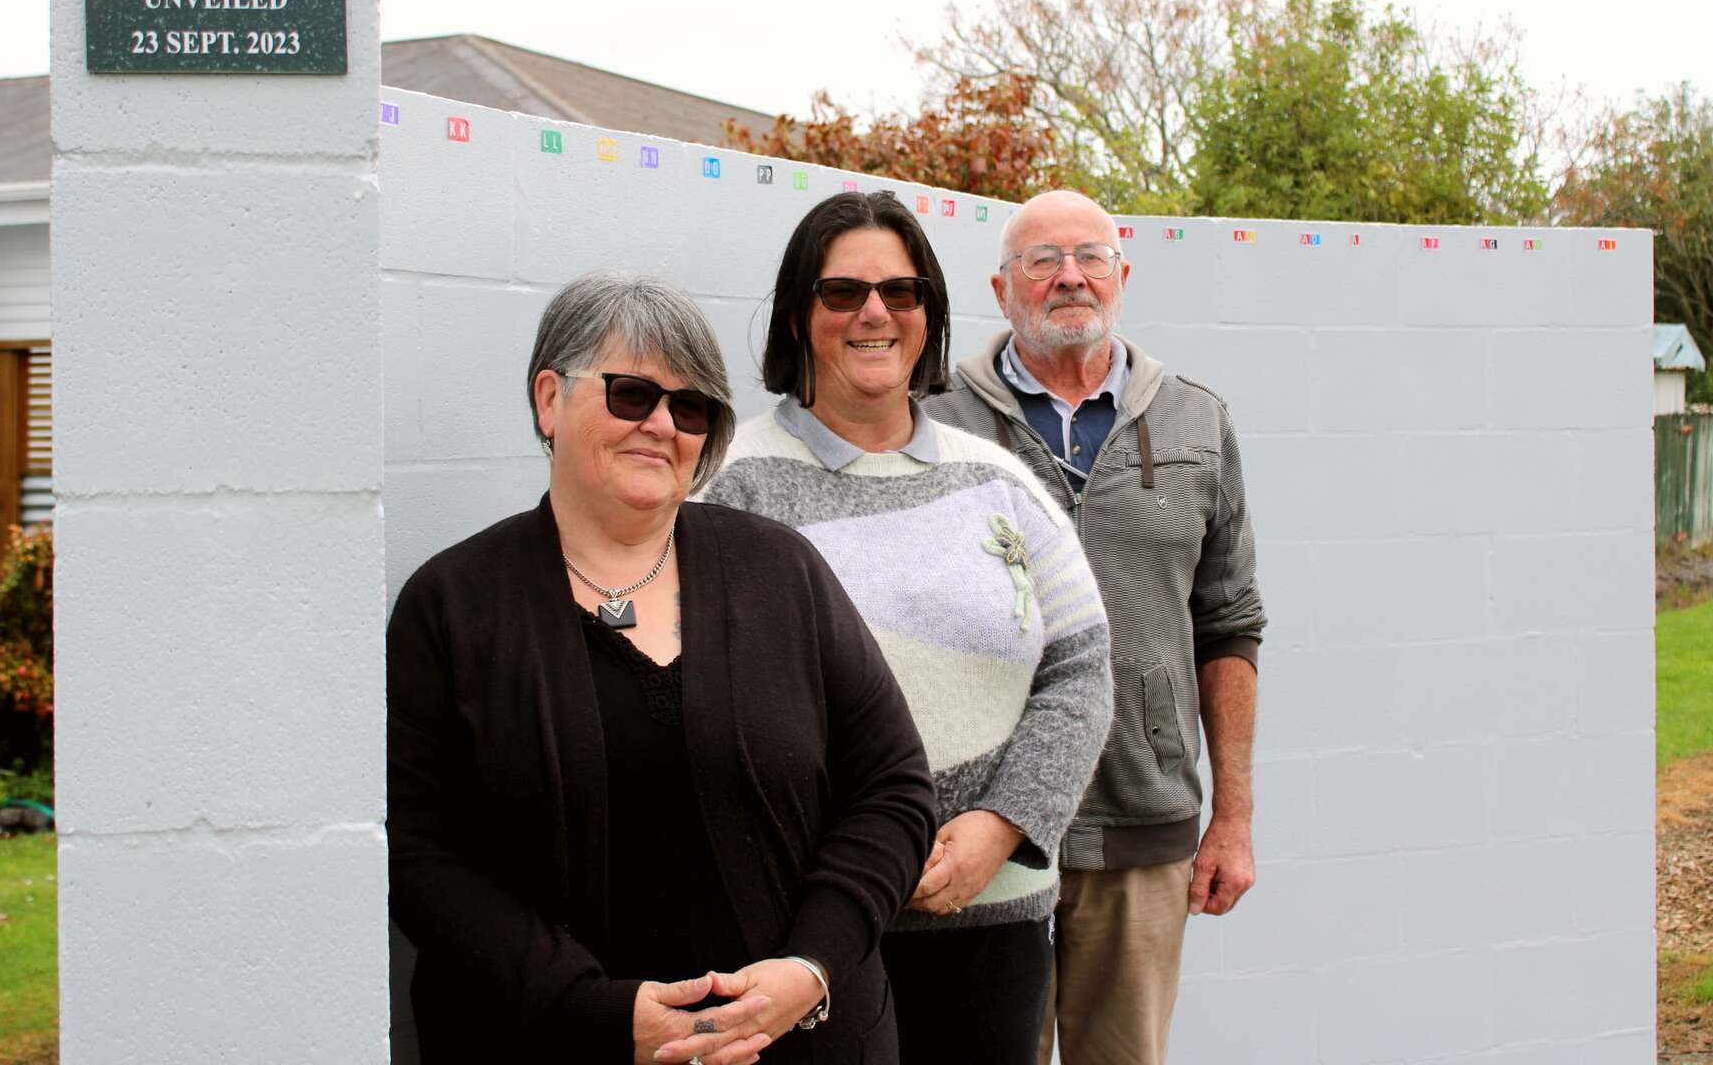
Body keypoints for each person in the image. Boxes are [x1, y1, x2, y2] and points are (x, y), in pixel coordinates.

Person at [387, 271, 938, 1064]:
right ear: (549, 399)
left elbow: (892, 787)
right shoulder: (454, 606)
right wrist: (592, 1012)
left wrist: (809, 967)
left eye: (690, 408)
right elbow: (419, 851)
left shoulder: (779, 571)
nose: (660, 425)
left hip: (805, 1040)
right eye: (630, 394)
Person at [701, 192, 1114, 1062]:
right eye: (843, 293)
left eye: (903, 290)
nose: (876, 313)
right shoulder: (730, 491)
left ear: (930, 312)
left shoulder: (998, 482)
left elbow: (1081, 669)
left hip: (995, 920)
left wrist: (1002, 822)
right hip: (809, 935)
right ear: (795, 314)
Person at [923, 189, 1266, 1064]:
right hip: (981, 833)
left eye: (1090, 257)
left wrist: (1232, 816)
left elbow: (1228, 625)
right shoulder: (934, 425)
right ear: (1003, 291)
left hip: (1141, 828)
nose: (1069, 277)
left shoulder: (1197, 420)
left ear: (1122, 276)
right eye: (1042, 261)